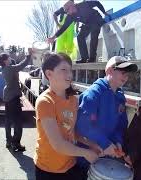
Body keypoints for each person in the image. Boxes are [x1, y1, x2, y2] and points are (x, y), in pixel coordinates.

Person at [34, 52, 101, 180]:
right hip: (48, 170)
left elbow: (71, 131)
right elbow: (58, 144)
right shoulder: (45, 102)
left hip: (70, 165)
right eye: (64, 70)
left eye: (70, 70)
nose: (70, 74)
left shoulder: (73, 100)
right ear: (49, 74)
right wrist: (86, 153)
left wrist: (90, 144)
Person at [75, 56, 138, 171]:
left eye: (127, 74)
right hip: (86, 157)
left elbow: (121, 125)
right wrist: (105, 144)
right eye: (123, 72)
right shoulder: (94, 94)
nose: (126, 77)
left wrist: (118, 141)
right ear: (109, 71)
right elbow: (83, 126)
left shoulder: (120, 97)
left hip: (105, 157)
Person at [0, 49, 33, 152]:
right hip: (13, 98)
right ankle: (16, 143)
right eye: (8, 58)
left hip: (8, 97)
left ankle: (9, 141)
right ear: (5, 61)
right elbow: (22, 65)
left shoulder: (5, 68)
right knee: (18, 122)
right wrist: (29, 55)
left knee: (8, 120)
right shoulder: (9, 68)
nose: (10, 58)